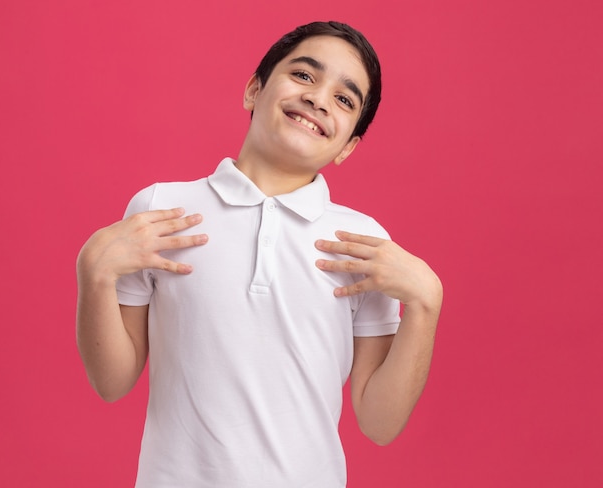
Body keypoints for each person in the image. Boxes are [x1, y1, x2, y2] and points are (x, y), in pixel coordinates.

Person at [76, 20, 442, 488]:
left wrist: (427, 304)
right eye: (304, 75)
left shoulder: (364, 243)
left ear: (348, 146)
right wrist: (94, 274)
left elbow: (379, 422)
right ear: (254, 89)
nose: (318, 98)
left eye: (344, 99)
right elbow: (112, 381)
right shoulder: (161, 209)